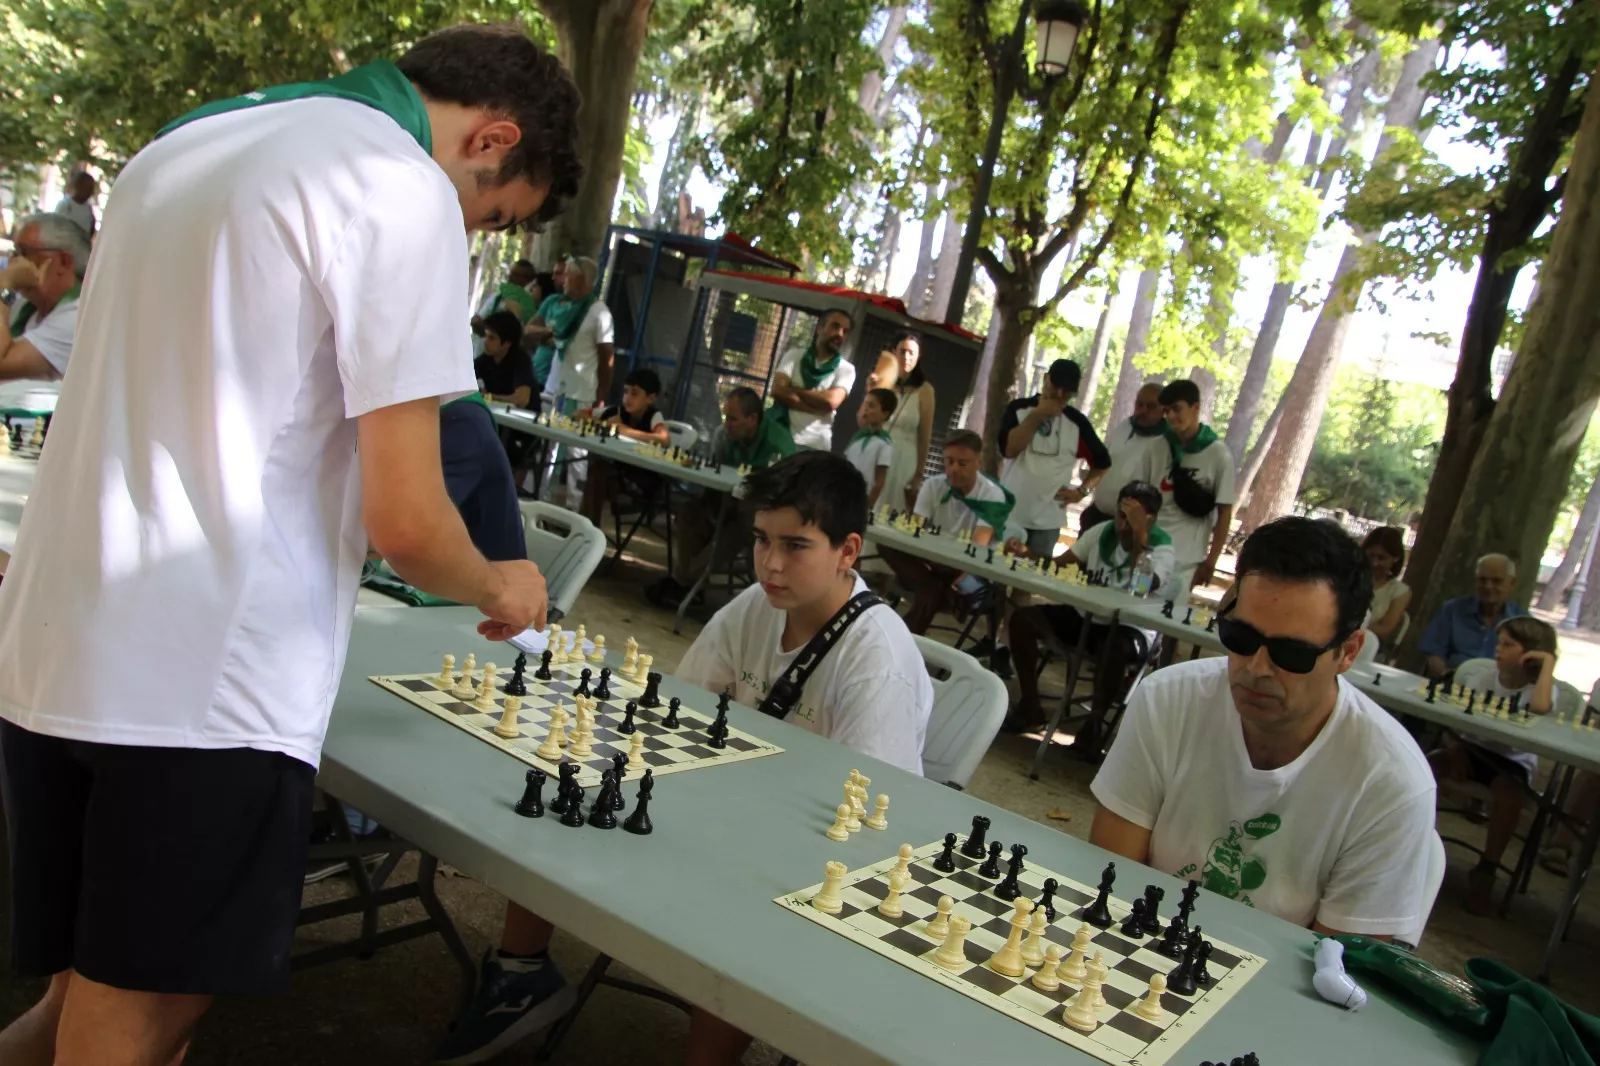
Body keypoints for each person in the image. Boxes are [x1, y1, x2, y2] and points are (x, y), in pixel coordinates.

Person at [0, 28, 577, 1065]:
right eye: (490, 213)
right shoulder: (396, 190)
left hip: (52, 646)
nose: (473, 234)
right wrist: (503, 581)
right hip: (200, 683)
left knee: (72, 1001)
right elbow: (407, 518)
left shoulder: (184, 145)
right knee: (138, 1020)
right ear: (494, 136)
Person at [438, 452, 932, 1066]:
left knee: (745, 913)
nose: (771, 564)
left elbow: (867, 835)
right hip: (732, 805)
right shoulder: (757, 605)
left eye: (796, 546)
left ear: (847, 551)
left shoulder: (876, 664)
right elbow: (671, 711)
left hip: (803, 854)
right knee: (578, 778)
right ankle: (519, 973)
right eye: (760, 540)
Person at [1089, 517, 1436, 937]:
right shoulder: (1166, 700)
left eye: (1291, 653)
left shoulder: (1391, 782)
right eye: (1240, 636)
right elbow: (1110, 880)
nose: (1256, 668)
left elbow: (1339, 971)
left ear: (1348, 652)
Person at [1005, 481, 1173, 735]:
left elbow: (1141, 586)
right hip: (1088, 616)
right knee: (1023, 620)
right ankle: (1031, 705)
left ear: (1150, 519)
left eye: (1132, 516)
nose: (1123, 522)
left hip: (1130, 627)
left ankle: (1094, 727)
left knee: (1113, 649)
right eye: (1121, 513)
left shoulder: (1162, 548)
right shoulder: (1102, 532)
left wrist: (1140, 537)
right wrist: (1028, 553)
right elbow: (1061, 565)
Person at [1429, 616, 1572, 915]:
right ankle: (1415, 842)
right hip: (1472, 750)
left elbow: (1541, 708)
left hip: (1511, 762)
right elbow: (1456, 721)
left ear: (1531, 652)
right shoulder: (1483, 678)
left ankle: (1487, 868)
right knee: (1429, 765)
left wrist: (1546, 665)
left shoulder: (1542, 690)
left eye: (1508, 644)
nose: (1498, 650)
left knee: (1510, 794)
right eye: (1499, 642)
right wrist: (1455, 748)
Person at [645, 386, 795, 608]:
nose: (727, 424)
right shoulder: (723, 436)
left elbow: (781, 494)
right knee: (690, 512)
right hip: (724, 501)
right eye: (726, 417)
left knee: (739, 527)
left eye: (733, 419)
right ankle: (688, 586)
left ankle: (683, 581)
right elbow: (714, 480)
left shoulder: (779, 444)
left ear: (753, 419)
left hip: (758, 515)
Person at [880, 429, 1014, 635]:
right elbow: (914, 531)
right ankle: (934, 594)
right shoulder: (934, 485)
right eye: (949, 461)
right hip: (933, 563)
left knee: (929, 592)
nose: (953, 469)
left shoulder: (992, 494)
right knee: (887, 544)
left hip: (968, 569)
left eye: (962, 463)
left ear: (978, 462)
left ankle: (900, 639)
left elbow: (977, 548)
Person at [997, 358, 1111, 559]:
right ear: (1045, 379)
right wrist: (1038, 415)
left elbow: (1102, 463)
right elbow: (1009, 450)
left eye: (1066, 392)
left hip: (1048, 521)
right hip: (1010, 513)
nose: (1059, 395)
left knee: (1031, 579)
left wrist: (1081, 492)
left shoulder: (1076, 423)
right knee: (996, 569)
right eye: (1056, 386)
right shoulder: (1018, 409)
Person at [1157, 379, 1235, 603]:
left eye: (1177, 409)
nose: (1171, 416)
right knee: (1136, 613)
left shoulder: (1218, 454)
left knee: (1170, 620)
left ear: (1195, 408)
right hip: (1151, 552)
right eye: (1167, 411)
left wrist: (1211, 562)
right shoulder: (1159, 446)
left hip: (1186, 559)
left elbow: (1225, 513)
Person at [0, 213, 89, 380]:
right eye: (14, 252)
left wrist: (4, 286)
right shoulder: (25, 306)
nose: (14, 262)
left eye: (24, 252)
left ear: (63, 261)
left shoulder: (77, 316)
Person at [578, 366, 670, 525]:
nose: (627, 398)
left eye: (634, 393)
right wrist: (604, 424)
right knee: (597, 472)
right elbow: (578, 415)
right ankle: (586, 527)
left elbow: (664, 439)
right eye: (625, 392)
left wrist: (626, 431)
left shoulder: (653, 416)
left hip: (640, 483)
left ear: (650, 398)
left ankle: (587, 529)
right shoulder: (616, 411)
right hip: (618, 475)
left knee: (597, 475)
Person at [1418, 553, 1527, 679]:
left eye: (1496, 581)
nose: (1488, 586)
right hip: (1451, 683)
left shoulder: (1522, 622)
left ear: (1512, 583)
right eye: (1482, 580)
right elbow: (1434, 653)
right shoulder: (1453, 610)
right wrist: (1447, 676)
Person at [1083, 381, 1168, 532]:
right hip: (1096, 515)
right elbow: (1103, 466)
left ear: (1164, 410)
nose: (1143, 410)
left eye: (1151, 406)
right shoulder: (1124, 427)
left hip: (1126, 526)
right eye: (1139, 404)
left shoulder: (1165, 444)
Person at [769, 308, 855, 451]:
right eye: (835, 326)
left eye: (845, 331)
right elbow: (778, 391)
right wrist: (816, 408)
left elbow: (830, 401)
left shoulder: (846, 370)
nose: (840, 334)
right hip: (781, 437)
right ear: (820, 328)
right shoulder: (794, 356)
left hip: (816, 446)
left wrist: (793, 391)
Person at [868, 330, 935, 510]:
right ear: (894, 352)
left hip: (905, 459)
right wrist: (870, 391)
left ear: (918, 357)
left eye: (911, 353)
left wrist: (919, 474)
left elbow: (924, 435)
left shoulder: (925, 391)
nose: (907, 357)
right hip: (877, 453)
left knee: (893, 510)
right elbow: (866, 420)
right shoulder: (884, 383)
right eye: (902, 351)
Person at [542, 255, 613, 410]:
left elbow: (607, 360)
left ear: (580, 279)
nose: (563, 280)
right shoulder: (565, 307)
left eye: (568, 275)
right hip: (552, 389)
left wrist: (600, 396)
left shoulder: (600, 313)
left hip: (578, 397)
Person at [470, 258, 536, 357]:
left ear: (527, 280)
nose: (510, 276)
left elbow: (518, 333)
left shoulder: (527, 305)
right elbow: (481, 315)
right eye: (511, 272)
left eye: (516, 274)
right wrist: (476, 320)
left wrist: (486, 330)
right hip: (478, 352)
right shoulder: (497, 295)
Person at [844, 387, 896, 509]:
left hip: (862, 500)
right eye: (865, 404)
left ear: (885, 414)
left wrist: (868, 505)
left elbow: (880, 480)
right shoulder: (857, 438)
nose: (866, 409)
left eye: (871, 406)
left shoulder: (884, 443)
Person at [473, 310, 537, 410]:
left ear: (507, 343)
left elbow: (522, 400)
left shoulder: (520, 360)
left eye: (491, 338)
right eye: (485, 335)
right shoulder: (487, 358)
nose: (485, 341)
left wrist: (488, 397)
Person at [523, 258, 570, 389]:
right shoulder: (552, 301)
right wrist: (549, 331)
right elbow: (527, 331)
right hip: (534, 374)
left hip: (554, 382)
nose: (553, 278)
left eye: (559, 273)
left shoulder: (581, 307)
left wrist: (546, 335)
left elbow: (566, 340)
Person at [1361, 526, 1412, 646]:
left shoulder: (1399, 592)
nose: (1374, 563)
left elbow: (1385, 629)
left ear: (1395, 558)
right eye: (1371, 556)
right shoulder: (1347, 578)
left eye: (1381, 558)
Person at [53, 172, 97, 238]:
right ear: (77, 186)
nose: (91, 192)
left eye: (91, 188)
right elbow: (56, 229)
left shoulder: (88, 209)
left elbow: (90, 232)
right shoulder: (65, 205)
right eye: (87, 187)